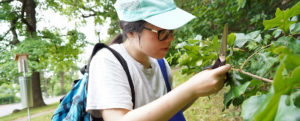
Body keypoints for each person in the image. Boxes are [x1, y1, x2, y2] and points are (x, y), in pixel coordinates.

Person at [86, 0, 231, 121]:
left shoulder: (160, 64)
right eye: (162, 32)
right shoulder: (107, 61)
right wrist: (190, 88)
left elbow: (170, 108)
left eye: (171, 31)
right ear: (130, 32)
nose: (170, 38)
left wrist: (197, 88)